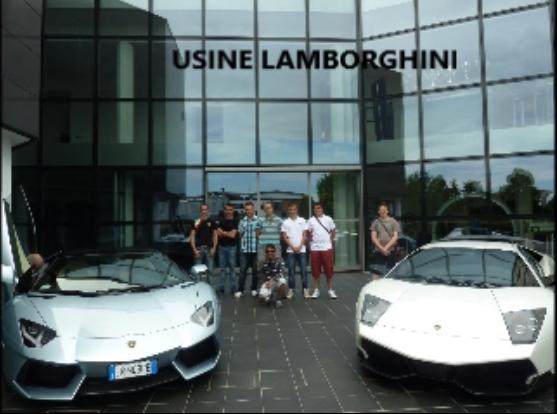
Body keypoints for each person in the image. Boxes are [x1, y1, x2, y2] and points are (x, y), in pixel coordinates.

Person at [307, 203, 337, 299]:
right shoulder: (311, 220)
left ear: (322, 209)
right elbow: (307, 232)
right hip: (315, 248)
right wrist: (310, 240)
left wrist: (331, 242)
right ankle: (316, 290)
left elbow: (333, 230)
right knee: (315, 270)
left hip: (326, 248)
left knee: (329, 270)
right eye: (315, 209)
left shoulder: (328, 219)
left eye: (319, 208)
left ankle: (330, 290)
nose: (317, 210)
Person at [281, 203, 309, 300]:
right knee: (291, 272)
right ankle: (291, 289)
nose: (292, 211)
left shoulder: (302, 220)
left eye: (294, 209)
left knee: (304, 271)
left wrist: (300, 246)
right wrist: (293, 247)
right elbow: (284, 237)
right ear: (288, 211)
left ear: (297, 210)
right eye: (290, 210)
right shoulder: (285, 222)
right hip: (290, 251)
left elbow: (305, 235)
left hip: (302, 250)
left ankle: (305, 289)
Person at [235, 201, 261, 298]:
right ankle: (240, 290)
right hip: (245, 250)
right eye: (246, 210)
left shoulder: (259, 220)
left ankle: (254, 289)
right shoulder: (242, 221)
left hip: (255, 250)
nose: (248, 211)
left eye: (250, 209)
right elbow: (241, 235)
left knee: (255, 271)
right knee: (242, 271)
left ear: (253, 209)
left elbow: (260, 234)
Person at [190, 204, 218, 283]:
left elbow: (215, 236)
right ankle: (198, 289)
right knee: (197, 273)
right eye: (202, 210)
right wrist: (194, 249)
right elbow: (192, 236)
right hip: (198, 250)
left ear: (208, 211)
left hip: (209, 249)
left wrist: (214, 248)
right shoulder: (196, 222)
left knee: (210, 272)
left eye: (205, 210)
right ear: (200, 211)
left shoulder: (211, 222)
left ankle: (210, 288)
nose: (204, 211)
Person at [370, 202, 401, 272]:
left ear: (387, 211)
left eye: (384, 210)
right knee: (377, 272)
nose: (383, 211)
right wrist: (382, 249)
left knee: (391, 272)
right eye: (381, 210)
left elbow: (395, 236)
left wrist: (385, 248)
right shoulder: (375, 222)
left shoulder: (393, 221)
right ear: (378, 212)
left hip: (391, 250)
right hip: (378, 251)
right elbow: (373, 237)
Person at [216, 204, 238, 295]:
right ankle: (221, 288)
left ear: (233, 210)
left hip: (232, 247)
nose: (229, 211)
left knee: (232, 269)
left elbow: (233, 235)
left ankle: (234, 288)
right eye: (227, 210)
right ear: (225, 211)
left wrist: (223, 233)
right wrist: (228, 233)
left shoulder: (236, 221)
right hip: (222, 247)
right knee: (222, 269)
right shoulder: (221, 221)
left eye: (230, 210)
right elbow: (218, 234)